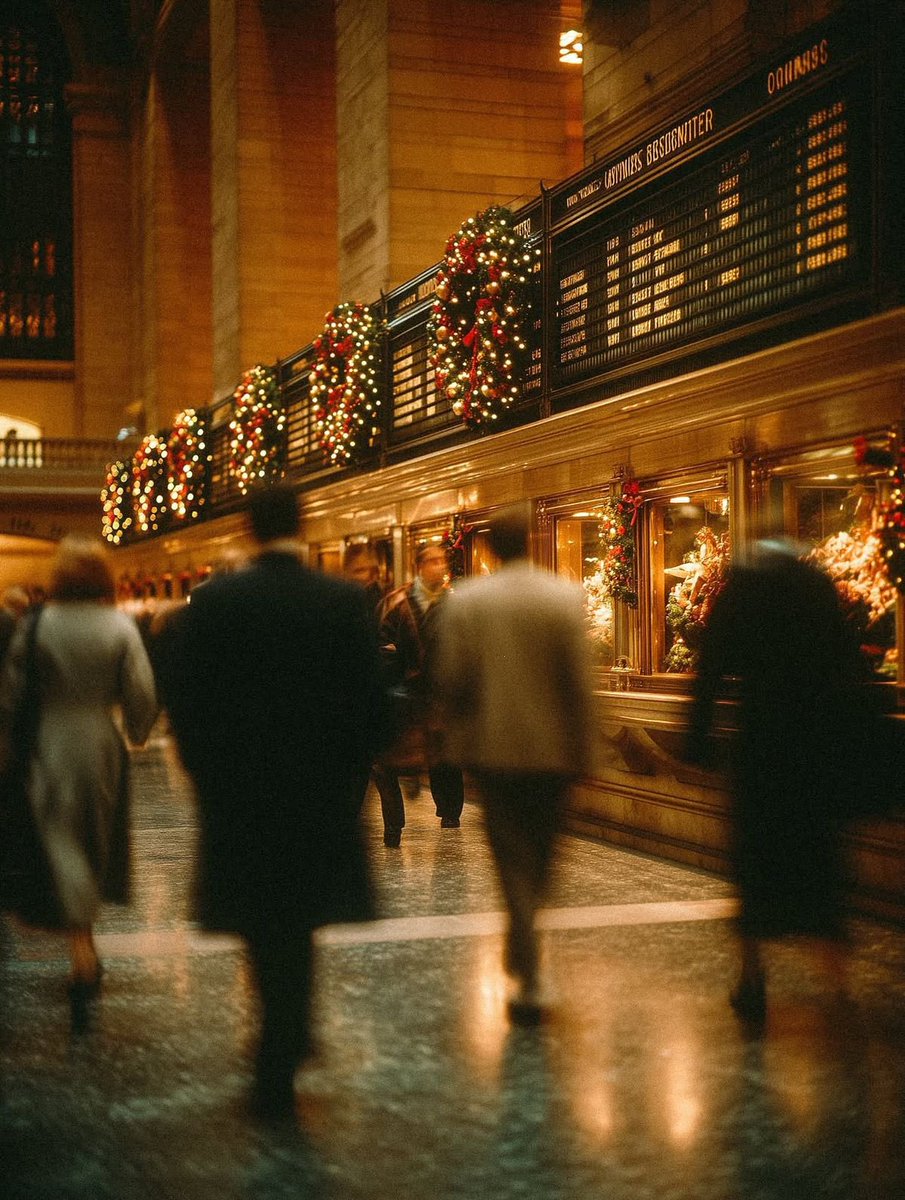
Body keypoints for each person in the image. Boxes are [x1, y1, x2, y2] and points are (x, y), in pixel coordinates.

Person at [164, 484, 387, 1121]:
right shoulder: (341, 600)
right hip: (318, 792)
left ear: (248, 529)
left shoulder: (214, 603)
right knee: (302, 915)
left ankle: (276, 1036)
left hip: (242, 792)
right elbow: (371, 697)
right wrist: (350, 766)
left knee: (263, 917)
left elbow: (187, 700)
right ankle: (291, 1030)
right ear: (302, 524)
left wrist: (205, 772)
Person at [684, 536, 860, 1024]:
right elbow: (847, 663)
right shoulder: (817, 587)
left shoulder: (741, 592)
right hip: (815, 747)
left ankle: (752, 976)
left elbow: (711, 671)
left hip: (760, 745)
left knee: (755, 863)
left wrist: (697, 742)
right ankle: (838, 985)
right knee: (821, 863)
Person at [434, 506, 597, 1024]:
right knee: (545, 852)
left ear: (488, 550)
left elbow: (453, 679)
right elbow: (580, 683)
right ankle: (526, 940)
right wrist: (589, 754)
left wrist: (446, 740)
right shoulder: (564, 597)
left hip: (493, 751)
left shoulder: (468, 602)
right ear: (528, 542)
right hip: (554, 754)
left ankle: (522, 936)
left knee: (511, 855)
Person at [0, 538, 157, 1032]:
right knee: (93, 837)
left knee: (58, 835)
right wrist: (136, 730)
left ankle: (82, 950)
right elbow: (142, 692)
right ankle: (84, 942)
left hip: (49, 740)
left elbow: (10, 692)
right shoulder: (119, 625)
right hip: (102, 743)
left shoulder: (37, 624)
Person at [373, 542, 465, 847]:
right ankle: (400, 804)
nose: (440, 566)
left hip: (442, 691)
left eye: (442, 561)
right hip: (406, 692)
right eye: (433, 561)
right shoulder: (398, 602)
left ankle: (450, 810)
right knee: (401, 752)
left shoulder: (454, 603)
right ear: (420, 567)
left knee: (445, 753)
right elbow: (381, 642)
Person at [0, 584, 30, 665]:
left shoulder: (4, 617)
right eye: (23, 607)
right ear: (17, 605)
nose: (23, 612)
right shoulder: (7, 620)